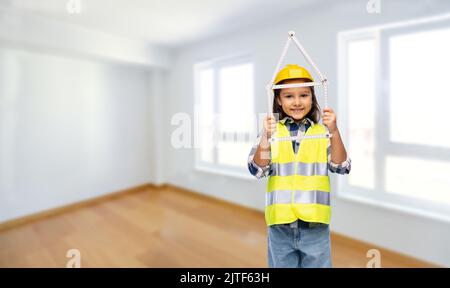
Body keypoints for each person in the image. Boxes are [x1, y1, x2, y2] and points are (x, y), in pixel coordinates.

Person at [248, 64, 351, 268]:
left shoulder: (323, 132)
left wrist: (335, 131)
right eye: (289, 96)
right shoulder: (271, 132)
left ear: (312, 98)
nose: (297, 102)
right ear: (278, 99)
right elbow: (258, 169)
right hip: (280, 225)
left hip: (315, 225)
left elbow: (341, 166)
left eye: (303, 95)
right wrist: (266, 138)